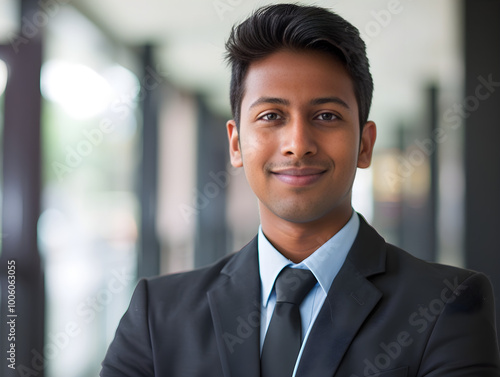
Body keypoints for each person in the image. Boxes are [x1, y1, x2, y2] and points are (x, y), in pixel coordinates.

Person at [100, 4, 500, 377]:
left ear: (364, 144)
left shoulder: (445, 303)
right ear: (236, 144)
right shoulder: (158, 313)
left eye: (326, 116)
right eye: (271, 116)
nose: (298, 143)